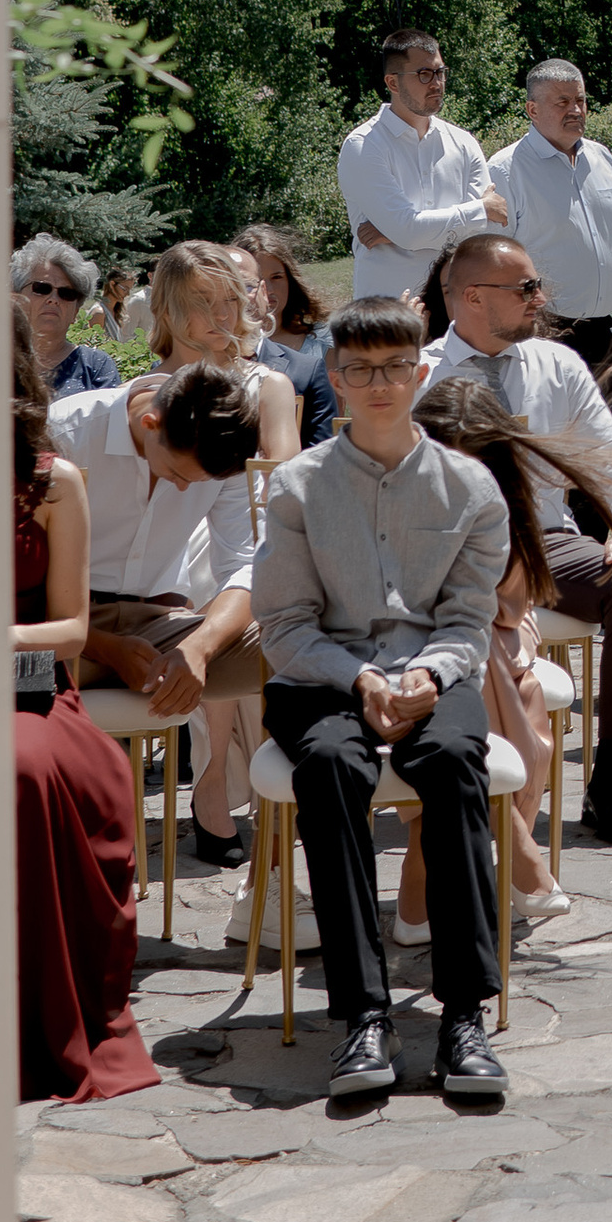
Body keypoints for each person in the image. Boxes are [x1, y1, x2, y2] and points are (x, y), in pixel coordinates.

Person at [253, 298, 510, 1106]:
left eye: (395, 365)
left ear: (420, 370)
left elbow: (472, 620)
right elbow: (283, 625)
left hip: (432, 673)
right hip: (323, 677)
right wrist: (361, 680)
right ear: (333, 376)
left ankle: (464, 1011)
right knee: (330, 763)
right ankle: (363, 1013)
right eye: (359, 368)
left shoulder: (470, 486)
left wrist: (429, 676)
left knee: (453, 757)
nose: (378, 383)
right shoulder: (298, 488)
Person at [425, 230, 612, 847]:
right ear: (473, 297)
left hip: (545, 543)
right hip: (445, 553)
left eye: (539, 284)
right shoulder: (420, 372)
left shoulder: (558, 363)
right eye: (526, 287)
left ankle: (607, 777)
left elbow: (610, 456)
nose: (541, 297)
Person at [410, 374, 612, 931]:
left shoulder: (507, 500)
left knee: (479, 652)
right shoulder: (397, 496)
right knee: (466, 661)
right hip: (418, 640)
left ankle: (421, 900)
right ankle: (515, 855)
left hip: (501, 630)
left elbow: (510, 605)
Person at [11, 309, 154, 1101]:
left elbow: (70, 630)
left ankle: (33, 1019)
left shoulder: (51, 480)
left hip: (24, 681)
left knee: (23, 771)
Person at [49, 351, 264, 862]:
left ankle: (278, 877)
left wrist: (201, 647)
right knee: (16, 670)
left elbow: (250, 565)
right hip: (60, 626)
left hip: (159, 627)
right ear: (149, 422)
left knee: (295, 652)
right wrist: (106, 646)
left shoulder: (218, 449)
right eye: (176, 472)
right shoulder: (66, 431)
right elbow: (10, 581)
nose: (184, 488)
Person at [153, 243, 300, 857]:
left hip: (254, 528)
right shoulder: (152, 388)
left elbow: (284, 473)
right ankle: (215, 780)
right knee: (212, 577)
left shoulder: (267, 383)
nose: (219, 315)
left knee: (258, 575)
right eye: (201, 304)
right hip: (177, 539)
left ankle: (232, 783)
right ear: (172, 310)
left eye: (228, 301)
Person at [488, 60, 612, 372]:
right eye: (563, 102)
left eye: (581, 100)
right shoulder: (506, 170)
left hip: (604, 337)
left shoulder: (602, 159)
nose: (576, 110)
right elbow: (496, 267)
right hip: (543, 338)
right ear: (532, 110)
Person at [337, 29, 505, 306]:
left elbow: (482, 235)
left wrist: (400, 231)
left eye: (440, 72)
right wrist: (479, 210)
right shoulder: (363, 146)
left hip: (456, 311)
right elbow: (413, 229)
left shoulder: (463, 142)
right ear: (392, 82)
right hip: (387, 316)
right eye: (424, 74)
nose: (437, 83)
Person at [237, 221, 339, 446]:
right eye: (257, 282)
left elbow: (331, 426)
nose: (269, 291)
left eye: (277, 278)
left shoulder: (322, 343)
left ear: (291, 280)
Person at [14, 237, 119, 395]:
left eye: (66, 293)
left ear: (76, 311)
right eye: (41, 288)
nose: (53, 299)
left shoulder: (96, 367)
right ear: (17, 298)